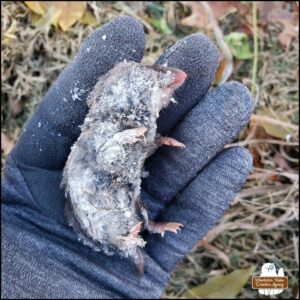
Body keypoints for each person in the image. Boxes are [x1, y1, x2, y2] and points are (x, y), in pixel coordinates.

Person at [1, 16, 253, 298]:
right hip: (95, 200)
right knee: (127, 210)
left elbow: (134, 149)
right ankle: (134, 233)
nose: (175, 81)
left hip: (114, 195)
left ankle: (141, 229)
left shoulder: (134, 115)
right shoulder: (116, 120)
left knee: (133, 206)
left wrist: (154, 140)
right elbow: (107, 153)